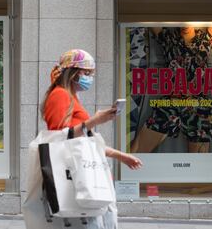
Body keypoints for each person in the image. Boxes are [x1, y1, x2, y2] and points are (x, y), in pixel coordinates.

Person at [40, 49, 143, 227]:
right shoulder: (60, 95)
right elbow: (58, 139)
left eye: (91, 73)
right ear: (72, 73)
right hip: (76, 178)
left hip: (84, 176)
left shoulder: (71, 96)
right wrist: (95, 120)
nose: (90, 77)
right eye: (86, 73)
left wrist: (122, 156)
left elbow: (84, 142)